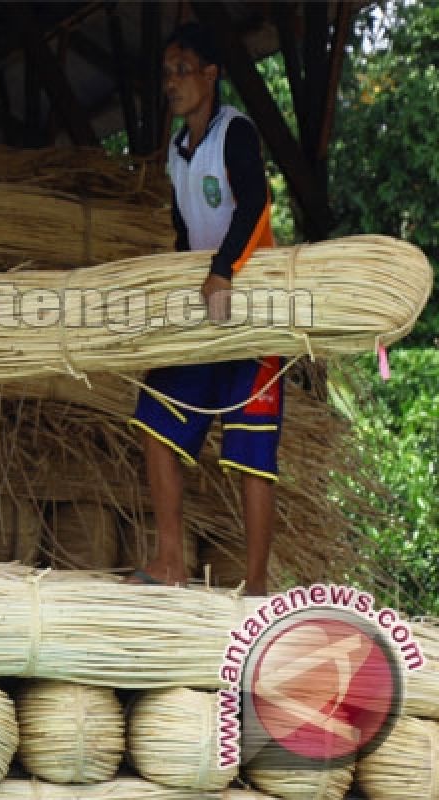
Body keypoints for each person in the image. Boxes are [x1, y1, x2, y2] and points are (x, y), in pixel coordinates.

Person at [127, 22, 280, 595]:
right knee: (155, 416)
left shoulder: (233, 132)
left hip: (251, 305)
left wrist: (223, 273)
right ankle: (170, 562)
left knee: (250, 450)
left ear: (210, 75)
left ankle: (258, 585)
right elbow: (183, 229)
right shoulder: (176, 150)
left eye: (181, 71)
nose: (171, 83)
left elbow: (256, 203)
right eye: (166, 74)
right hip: (201, 307)